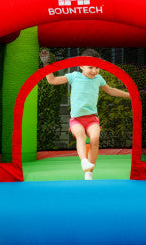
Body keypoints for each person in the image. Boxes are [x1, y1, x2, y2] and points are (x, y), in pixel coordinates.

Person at [40, 48, 130, 180]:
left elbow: (110, 90)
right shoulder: (74, 76)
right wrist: (45, 64)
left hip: (92, 118)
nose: (94, 71)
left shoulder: (98, 78)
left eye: (97, 68)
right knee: (81, 137)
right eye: (90, 67)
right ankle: (84, 161)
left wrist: (130, 95)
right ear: (81, 66)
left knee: (95, 139)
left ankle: (89, 171)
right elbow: (52, 80)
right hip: (76, 119)